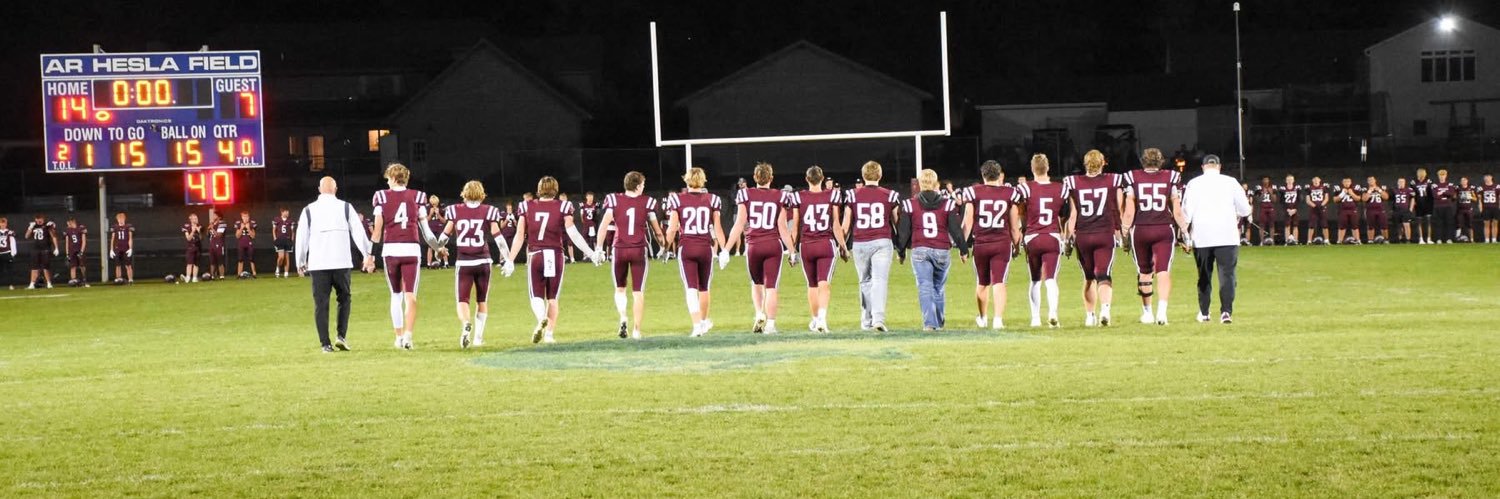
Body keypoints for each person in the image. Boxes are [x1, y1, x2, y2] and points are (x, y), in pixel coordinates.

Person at [504, 176, 600, 344]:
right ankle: (549, 335)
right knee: (553, 298)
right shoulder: (563, 206)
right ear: (555, 189)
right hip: (555, 255)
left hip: (536, 255)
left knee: (536, 296)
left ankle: (541, 318)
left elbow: (519, 236)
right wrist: (590, 253)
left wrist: (510, 259)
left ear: (539, 189)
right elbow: (573, 233)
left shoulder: (526, 206)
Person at [295, 176, 374, 353]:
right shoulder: (345, 207)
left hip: (318, 264)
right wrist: (367, 254)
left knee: (321, 304)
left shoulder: (309, 210)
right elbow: (359, 232)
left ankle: (325, 344)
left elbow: (301, 238)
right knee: (344, 299)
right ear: (335, 189)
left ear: (319, 189)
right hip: (341, 262)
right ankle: (341, 336)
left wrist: (300, 262)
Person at [371, 163, 442, 350]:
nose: (387, 182)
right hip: (411, 250)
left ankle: (399, 336)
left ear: (394, 178)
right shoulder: (418, 197)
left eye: (388, 178)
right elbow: (427, 233)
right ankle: (408, 337)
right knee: (411, 295)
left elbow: (377, 232)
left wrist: (369, 255)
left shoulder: (381, 197)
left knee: (396, 295)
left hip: (391, 251)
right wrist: (439, 247)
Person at [435, 180, 512, 349]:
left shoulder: (455, 210)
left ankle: (465, 324)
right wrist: (508, 258)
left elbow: (444, 235)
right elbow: (498, 238)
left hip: (464, 262)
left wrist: (438, 249)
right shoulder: (489, 211)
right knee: (482, 300)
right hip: (484, 261)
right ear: (481, 193)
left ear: (464, 193)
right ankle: (478, 338)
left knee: (462, 300)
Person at [725, 162, 797, 334]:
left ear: (755, 177)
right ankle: (771, 324)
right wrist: (792, 250)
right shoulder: (780, 196)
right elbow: (782, 227)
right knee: (771, 286)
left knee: (756, 283)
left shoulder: (745, 194)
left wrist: (726, 249)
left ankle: (759, 313)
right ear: (771, 178)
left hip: (754, 245)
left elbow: (739, 223)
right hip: (773, 244)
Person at [593, 172, 664, 339]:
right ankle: (637, 330)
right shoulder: (648, 202)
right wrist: (663, 247)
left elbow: (603, 226)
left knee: (620, 289)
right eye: (643, 184)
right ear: (638, 185)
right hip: (639, 249)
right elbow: (657, 231)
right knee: (638, 292)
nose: (644, 187)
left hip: (619, 249)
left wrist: (598, 248)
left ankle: (623, 317)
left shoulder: (614, 200)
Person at [1182, 155, 1251, 324]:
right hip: (1227, 236)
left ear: (1203, 167)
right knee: (1227, 275)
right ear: (1219, 166)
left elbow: (1186, 213)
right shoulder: (1231, 182)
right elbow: (1244, 210)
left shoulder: (1194, 184)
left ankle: (1204, 312)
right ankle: (1226, 312)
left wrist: (1184, 237)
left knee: (1204, 275)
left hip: (1202, 237)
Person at [1121, 148, 1186, 326]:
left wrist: (1125, 231)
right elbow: (1177, 209)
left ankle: (1147, 313)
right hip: (1164, 228)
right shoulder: (1171, 177)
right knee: (1163, 271)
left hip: (1141, 229)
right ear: (1161, 161)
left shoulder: (1132, 177)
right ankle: (1162, 313)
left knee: (1144, 272)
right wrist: (1185, 231)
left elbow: (1129, 210)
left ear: (1143, 161)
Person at [895, 168, 966, 331]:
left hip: (920, 249)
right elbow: (955, 230)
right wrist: (963, 249)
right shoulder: (947, 203)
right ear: (935, 183)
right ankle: (939, 321)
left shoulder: (910, 204)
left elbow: (904, 231)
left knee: (925, 286)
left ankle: (930, 323)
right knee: (938, 287)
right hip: (941, 249)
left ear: (920, 183)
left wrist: (901, 251)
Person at [664, 167, 729, 337]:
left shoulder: (677, 200)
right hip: (705, 247)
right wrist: (725, 249)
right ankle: (703, 321)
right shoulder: (712, 199)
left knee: (691, 288)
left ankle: (696, 325)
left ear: (686, 180)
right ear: (703, 180)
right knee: (704, 287)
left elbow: (671, 229)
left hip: (687, 247)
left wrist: (665, 247)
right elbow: (718, 227)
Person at [1063, 150, 1123, 327]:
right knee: (1103, 274)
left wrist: (1067, 239)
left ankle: (1090, 316)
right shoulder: (1113, 180)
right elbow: (1118, 209)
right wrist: (1122, 232)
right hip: (1104, 234)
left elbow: (1073, 215)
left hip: (1083, 235)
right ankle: (1105, 309)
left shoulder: (1074, 182)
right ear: (1103, 162)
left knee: (1089, 277)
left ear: (1085, 163)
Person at [961, 160, 1022, 329]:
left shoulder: (973, 192)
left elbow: (968, 221)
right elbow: (1014, 225)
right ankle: (998, 319)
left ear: (983, 175)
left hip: (981, 243)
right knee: (999, 281)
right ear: (999, 174)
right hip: (1001, 243)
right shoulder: (1010, 193)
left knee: (982, 283)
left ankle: (983, 317)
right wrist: (1017, 244)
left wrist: (962, 246)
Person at [841, 161, 900, 332]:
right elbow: (897, 222)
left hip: (860, 242)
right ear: (880, 175)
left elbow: (846, 224)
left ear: (864, 175)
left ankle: (867, 321)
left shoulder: (853, 195)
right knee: (879, 281)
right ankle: (878, 319)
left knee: (865, 282)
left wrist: (843, 245)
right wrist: (901, 246)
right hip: (882, 241)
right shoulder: (890, 195)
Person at [788, 165, 848, 333]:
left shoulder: (799, 197)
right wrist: (843, 246)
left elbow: (795, 227)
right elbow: (836, 224)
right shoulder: (833, 195)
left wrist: (792, 250)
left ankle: (815, 320)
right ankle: (821, 319)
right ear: (822, 179)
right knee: (824, 283)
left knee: (812, 285)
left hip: (806, 244)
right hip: (825, 244)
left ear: (807, 179)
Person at [1014, 154, 1067, 328]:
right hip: (1052, 236)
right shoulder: (1060, 188)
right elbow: (1064, 214)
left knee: (1035, 279)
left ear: (1032, 169)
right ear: (1048, 167)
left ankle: (1035, 318)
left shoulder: (1025, 188)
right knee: (1051, 279)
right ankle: (1053, 313)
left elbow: (1017, 209)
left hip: (1033, 237)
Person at [25, 214, 59, 289]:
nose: (39, 220)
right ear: (35, 219)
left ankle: (49, 283)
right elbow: (26, 236)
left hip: (45, 248)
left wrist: (56, 247)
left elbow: (53, 236)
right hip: (35, 249)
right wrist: (30, 228)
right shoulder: (33, 226)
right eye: (37, 219)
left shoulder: (47, 225)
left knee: (45, 267)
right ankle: (32, 284)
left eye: (40, 219)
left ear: (43, 219)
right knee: (34, 267)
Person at [1333, 178, 1364, 244]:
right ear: (1342, 182)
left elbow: (1358, 199)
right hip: (1343, 210)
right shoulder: (1338, 188)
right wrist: (1342, 193)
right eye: (1345, 181)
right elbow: (1335, 200)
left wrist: (1352, 193)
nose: (1347, 183)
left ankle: (1357, 240)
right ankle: (1340, 241)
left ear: (1351, 182)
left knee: (1355, 226)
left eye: (1348, 181)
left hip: (1353, 210)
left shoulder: (1355, 188)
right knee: (1342, 226)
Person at [1250, 176, 1277, 245]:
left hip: (1270, 208)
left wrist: (1271, 193)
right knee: (1261, 225)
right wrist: (1263, 193)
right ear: (1262, 181)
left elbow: (1274, 200)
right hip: (1263, 208)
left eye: (1267, 180)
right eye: (1264, 180)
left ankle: (1272, 241)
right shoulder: (1259, 188)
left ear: (1269, 180)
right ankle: (1261, 241)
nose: (1266, 181)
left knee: (1272, 225)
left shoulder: (1273, 188)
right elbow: (1258, 200)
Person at [1431, 169, 1456, 244]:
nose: (1442, 177)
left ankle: (1449, 238)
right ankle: (1438, 238)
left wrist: (1442, 192)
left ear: (1446, 175)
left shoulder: (1450, 184)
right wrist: (1446, 194)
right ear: (1438, 176)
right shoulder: (1434, 185)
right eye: (1440, 175)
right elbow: (1435, 196)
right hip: (1438, 206)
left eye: (1443, 175)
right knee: (1438, 223)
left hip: (1448, 206)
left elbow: (1451, 194)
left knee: (1449, 223)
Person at [271, 207, 297, 278]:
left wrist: (292, 240)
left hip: (287, 240)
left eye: (288, 212)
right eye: (286, 212)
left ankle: (286, 273)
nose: (287, 213)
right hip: (280, 240)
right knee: (281, 257)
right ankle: (278, 268)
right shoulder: (277, 219)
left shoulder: (290, 221)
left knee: (287, 257)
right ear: (282, 212)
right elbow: (274, 230)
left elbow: (292, 232)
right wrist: (275, 238)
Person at [1363, 177, 1390, 244]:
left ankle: (1386, 239)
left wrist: (1380, 190)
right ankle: (1370, 240)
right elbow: (1364, 199)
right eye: (1369, 180)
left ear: (1375, 180)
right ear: (1367, 182)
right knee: (1370, 226)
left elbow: (1386, 197)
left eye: (1372, 180)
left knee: (1384, 225)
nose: (1371, 181)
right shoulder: (1365, 189)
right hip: (1370, 210)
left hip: (1380, 210)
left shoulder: (1381, 187)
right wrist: (1369, 191)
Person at [110, 212, 135, 283]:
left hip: (126, 248)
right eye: (119, 219)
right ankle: (118, 279)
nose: (120, 220)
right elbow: (112, 239)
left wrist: (130, 248)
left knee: (128, 265)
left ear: (124, 219)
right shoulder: (115, 227)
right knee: (117, 265)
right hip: (117, 248)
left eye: (121, 218)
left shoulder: (128, 226)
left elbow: (130, 238)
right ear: (117, 219)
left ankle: (130, 279)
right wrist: (111, 249)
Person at [63, 216, 88, 287]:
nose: (68, 225)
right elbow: (67, 242)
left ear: (72, 222)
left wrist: (82, 251)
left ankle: (84, 279)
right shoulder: (68, 230)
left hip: (79, 249)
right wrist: (67, 253)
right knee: (72, 266)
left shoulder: (81, 228)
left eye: (69, 223)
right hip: (72, 250)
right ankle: (73, 280)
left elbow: (84, 241)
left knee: (82, 265)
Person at [1305, 177, 1331, 244]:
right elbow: (1307, 200)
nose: (1316, 181)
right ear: (1312, 181)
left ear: (1320, 180)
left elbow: (1327, 198)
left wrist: (1322, 205)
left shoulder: (1324, 187)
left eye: (1317, 180)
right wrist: (1314, 205)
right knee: (1311, 225)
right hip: (1313, 208)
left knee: (1324, 224)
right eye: (1314, 180)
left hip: (1322, 207)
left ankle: (1326, 240)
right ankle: (1309, 241)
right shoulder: (1309, 188)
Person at [1412, 168, 1434, 244]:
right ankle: (1421, 239)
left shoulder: (1428, 181)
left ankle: (1428, 238)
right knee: (1419, 222)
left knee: (1428, 221)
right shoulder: (1414, 182)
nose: (1422, 175)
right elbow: (1412, 193)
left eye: (1423, 173)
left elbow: (1432, 193)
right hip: (1418, 204)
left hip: (1427, 203)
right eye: (1420, 173)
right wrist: (1414, 202)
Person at [1277, 175, 1302, 245]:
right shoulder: (1283, 189)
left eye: (1291, 179)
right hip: (1287, 209)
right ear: (1286, 181)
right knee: (1287, 225)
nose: (1290, 181)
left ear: (1293, 180)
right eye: (1288, 179)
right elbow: (1281, 201)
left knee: (1295, 225)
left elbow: (1299, 200)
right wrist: (1287, 209)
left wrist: (1295, 209)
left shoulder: (1297, 188)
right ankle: (1287, 240)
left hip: (1294, 208)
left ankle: (1295, 240)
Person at [425, 194, 448, 268]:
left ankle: (446, 263)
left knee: (442, 245)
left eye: (435, 203)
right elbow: (426, 220)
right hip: (431, 229)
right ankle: (428, 264)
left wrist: (438, 214)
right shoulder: (428, 208)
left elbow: (444, 221)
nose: (434, 205)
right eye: (433, 203)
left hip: (439, 228)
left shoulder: (442, 207)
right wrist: (431, 214)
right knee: (430, 247)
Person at [234, 211, 257, 277]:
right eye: (244, 216)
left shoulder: (251, 224)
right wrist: (241, 228)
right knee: (240, 259)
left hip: (249, 242)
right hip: (241, 242)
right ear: (241, 217)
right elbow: (237, 236)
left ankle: (254, 273)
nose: (245, 218)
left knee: (251, 259)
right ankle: (239, 274)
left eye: (246, 216)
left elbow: (253, 236)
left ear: (249, 217)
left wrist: (248, 228)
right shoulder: (239, 224)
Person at [1393, 178, 1416, 243]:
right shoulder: (1394, 190)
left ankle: (1408, 239)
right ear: (1397, 183)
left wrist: (1410, 209)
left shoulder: (1408, 190)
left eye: (1402, 182)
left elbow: (1413, 199)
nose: (1401, 183)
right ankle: (1400, 239)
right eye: (1400, 182)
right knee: (1398, 226)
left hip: (1405, 210)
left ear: (1405, 183)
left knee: (1406, 224)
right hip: (1397, 210)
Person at [208, 208, 229, 279]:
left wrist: (212, 228)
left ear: (219, 217)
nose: (213, 216)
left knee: (220, 261)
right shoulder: (212, 224)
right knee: (212, 261)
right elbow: (208, 235)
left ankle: (222, 276)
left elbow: (219, 235)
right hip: (212, 244)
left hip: (219, 244)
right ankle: (212, 276)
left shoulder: (222, 223)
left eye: (214, 215)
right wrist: (209, 229)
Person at [182, 214, 203, 282]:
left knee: (196, 263)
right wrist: (193, 231)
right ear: (191, 219)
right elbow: (188, 238)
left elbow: (201, 238)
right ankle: (188, 277)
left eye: (196, 218)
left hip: (198, 247)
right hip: (190, 247)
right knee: (189, 263)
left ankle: (194, 277)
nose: (196, 220)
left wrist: (199, 231)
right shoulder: (187, 226)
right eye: (194, 218)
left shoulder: (199, 226)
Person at [1456, 176, 1477, 242]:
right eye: (1462, 180)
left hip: (1469, 209)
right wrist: (1458, 196)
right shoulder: (1458, 188)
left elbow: (1475, 199)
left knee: (1470, 225)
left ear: (1467, 181)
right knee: (1459, 224)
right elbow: (1453, 197)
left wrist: (1470, 197)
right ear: (1460, 182)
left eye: (1465, 180)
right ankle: (1457, 238)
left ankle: (1472, 239)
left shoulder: (1471, 188)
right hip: (1460, 209)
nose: (1463, 182)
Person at [1480, 175, 1499, 243]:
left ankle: (1494, 239)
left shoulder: (1497, 186)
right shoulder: (1481, 187)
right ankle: (1487, 240)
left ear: (1491, 177)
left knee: (1495, 223)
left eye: (1488, 176)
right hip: (1486, 207)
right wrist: (1481, 208)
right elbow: (1480, 199)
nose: (1487, 178)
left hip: (1495, 207)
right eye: (1485, 177)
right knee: (1486, 224)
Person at [0, 217, 15, 290]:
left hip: (7, 252)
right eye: (1, 223)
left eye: (4, 223)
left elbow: (13, 243)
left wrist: (13, 253)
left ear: (6, 224)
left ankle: (11, 284)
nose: (3, 224)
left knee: (10, 270)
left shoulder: (10, 232)